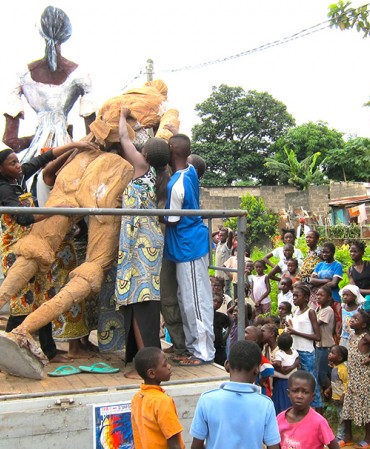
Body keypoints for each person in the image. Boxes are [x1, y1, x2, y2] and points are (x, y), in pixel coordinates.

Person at [0, 141, 91, 363]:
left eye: (17, 160)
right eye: (12, 163)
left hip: (37, 246)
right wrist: (56, 210)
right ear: (0, 169)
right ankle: (9, 351)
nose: (18, 165)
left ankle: (49, 350)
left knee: (43, 296)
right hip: (17, 250)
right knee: (23, 300)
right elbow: (24, 217)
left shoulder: (18, 177)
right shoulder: (3, 189)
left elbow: (44, 159)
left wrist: (75, 146)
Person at [2, 6, 95, 204]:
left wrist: (37, 138)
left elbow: (10, 141)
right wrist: (72, 144)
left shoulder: (23, 75)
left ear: (41, 32)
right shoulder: (80, 75)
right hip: (69, 151)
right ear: (66, 35)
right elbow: (93, 135)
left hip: (35, 157)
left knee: (26, 192)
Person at [114, 108, 172, 377]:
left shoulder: (142, 168)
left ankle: (144, 365)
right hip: (150, 240)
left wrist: (122, 118)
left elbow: (124, 140)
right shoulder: (163, 176)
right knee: (144, 300)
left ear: (146, 155)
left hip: (137, 242)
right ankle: (143, 358)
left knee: (139, 301)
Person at [164, 134, 214, 366]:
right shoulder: (191, 170)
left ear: (172, 150)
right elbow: (191, 157)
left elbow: (172, 219)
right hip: (185, 246)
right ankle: (194, 349)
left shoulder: (176, 184)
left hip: (188, 246)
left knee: (196, 301)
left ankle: (204, 352)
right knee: (187, 299)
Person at [190, 340, 281, 449]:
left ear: (227, 365)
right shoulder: (266, 404)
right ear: (257, 370)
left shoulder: (207, 399)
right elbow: (273, 446)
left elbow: (196, 446)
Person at [342, 309, 370, 449]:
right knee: (348, 405)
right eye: (352, 318)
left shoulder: (366, 337)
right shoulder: (352, 336)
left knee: (366, 406)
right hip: (352, 376)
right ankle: (347, 437)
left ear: (363, 325)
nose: (352, 320)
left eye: (356, 318)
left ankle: (368, 438)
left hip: (364, 377)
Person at [131, 347, 184, 449]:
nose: (169, 367)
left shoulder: (137, 397)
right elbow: (174, 443)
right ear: (151, 373)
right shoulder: (162, 401)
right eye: (164, 365)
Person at [277, 371, 340, 449]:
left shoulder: (319, 422)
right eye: (295, 391)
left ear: (312, 396)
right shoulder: (279, 419)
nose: (299, 396)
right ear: (288, 393)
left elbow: (335, 447)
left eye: (305, 392)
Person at [284, 283, 323, 410]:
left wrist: (296, 332)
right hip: (295, 351)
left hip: (306, 352)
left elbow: (317, 337)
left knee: (311, 383)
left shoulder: (310, 312)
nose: (294, 298)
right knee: (299, 382)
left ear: (306, 298)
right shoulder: (296, 312)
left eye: (297, 296)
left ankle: (318, 412)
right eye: (293, 296)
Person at [311, 242, 344, 329]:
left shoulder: (337, 265)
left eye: (327, 252)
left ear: (333, 252)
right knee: (321, 323)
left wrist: (319, 282)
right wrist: (326, 280)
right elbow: (312, 280)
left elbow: (334, 284)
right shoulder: (320, 265)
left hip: (334, 298)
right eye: (323, 252)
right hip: (321, 299)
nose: (324, 254)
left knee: (336, 324)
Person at [323, 345, 349, 445]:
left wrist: (343, 395)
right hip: (336, 398)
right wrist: (329, 389)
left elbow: (347, 383)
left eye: (332, 353)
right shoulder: (335, 367)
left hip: (342, 398)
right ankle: (342, 435)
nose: (329, 354)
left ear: (340, 358)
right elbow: (335, 382)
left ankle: (340, 436)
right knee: (340, 416)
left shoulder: (342, 369)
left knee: (342, 417)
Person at [314, 287, 336, 396]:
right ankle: (327, 393)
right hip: (320, 345)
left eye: (321, 295)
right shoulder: (319, 309)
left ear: (328, 298)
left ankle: (329, 393)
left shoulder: (328, 310)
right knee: (321, 371)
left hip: (326, 345)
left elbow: (315, 324)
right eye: (317, 295)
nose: (318, 297)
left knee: (322, 373)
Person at [271, 332, 300, 414]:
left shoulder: (279, 354)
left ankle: (281, 415)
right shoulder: (294, 351)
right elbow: (298, 359)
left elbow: (278, 365)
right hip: (293, 380)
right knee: (289, 400)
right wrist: (293, 366)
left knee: (281, 400)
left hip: (282, 382)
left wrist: (273, 364)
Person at [244, 325, 275, 397]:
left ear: (255, 340)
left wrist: (261, 381)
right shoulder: (247, 351)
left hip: (259, 392)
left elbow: (269, 368)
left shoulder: (255, 353)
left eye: (246, 333)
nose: (243, 334)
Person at [214, 227, 235, 296]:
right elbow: (210, 236)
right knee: (219, 290)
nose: (221, 237)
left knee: (227, 291)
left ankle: (229, 305)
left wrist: (228, 229)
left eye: (223, 235)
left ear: (226, 236)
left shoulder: (227, 245)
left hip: (225, 273)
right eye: (220, 235)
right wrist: (218, 231)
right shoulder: (218, 244)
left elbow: (231, 234)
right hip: (218, 273)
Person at [213, 295, 231, 366]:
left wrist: (225, 337)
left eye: (219, 302)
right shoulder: (204, 314)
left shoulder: (221, 316)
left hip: (219, 346)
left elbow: (230, 324)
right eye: (214, 301)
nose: (216, 303)